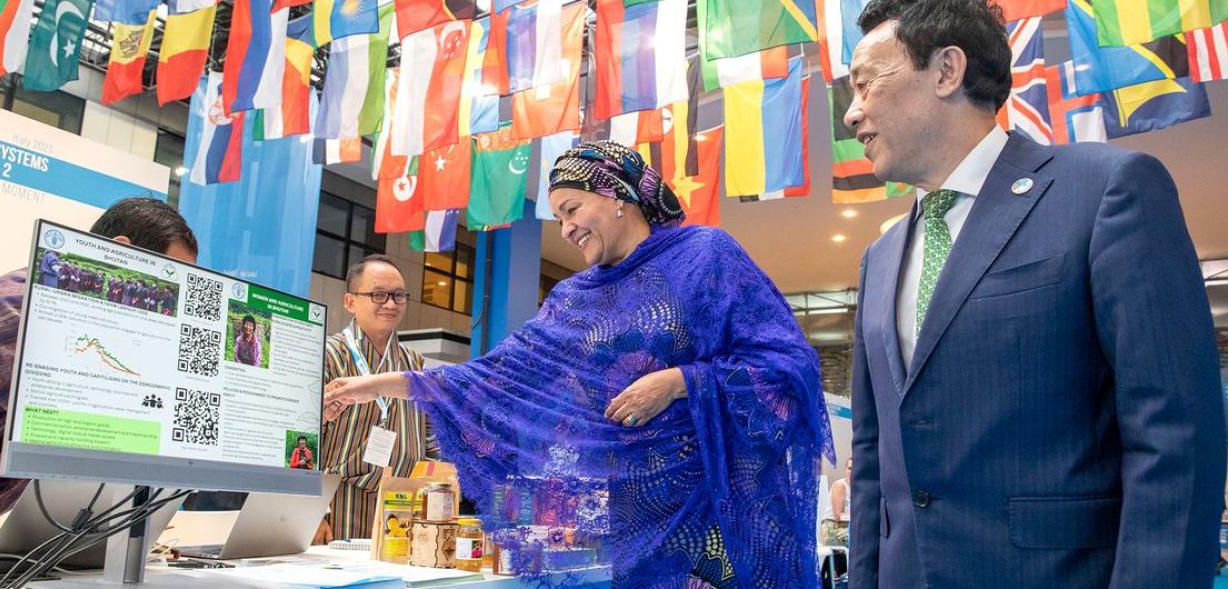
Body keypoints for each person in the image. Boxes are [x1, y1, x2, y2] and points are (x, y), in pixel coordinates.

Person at [324, 142, 833, 588]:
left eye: (572, 209)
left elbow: (788, 365)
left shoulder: (705, 257)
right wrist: (379, 386)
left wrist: (682, 381)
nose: (565, 229)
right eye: (559, 219)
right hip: (613, 533)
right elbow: (496, 376)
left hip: (708, 523)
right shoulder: (573, 299)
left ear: (616, 197)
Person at [844, 0, 1226, 587]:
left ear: (947, 70)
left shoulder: (1104, 194)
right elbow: (873, 461)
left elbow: (1175, 439)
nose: (852, 114)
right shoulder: (880, 257)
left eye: (867, 84)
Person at [0, 197, 199, 555]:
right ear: (118, 253)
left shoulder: (97, 334)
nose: (171, 303)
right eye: (168, 280)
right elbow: (93, 431)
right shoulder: (17, 309)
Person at [318, 255, 439, 542]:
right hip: (340, 503)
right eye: (378, 295)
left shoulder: (414, 363)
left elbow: (430, 437)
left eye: (398, 296)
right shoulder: (328, 354)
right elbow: (305, 440)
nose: (390, 304)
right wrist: (314, 512)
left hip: (402, 504)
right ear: (350, 302)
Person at [822, 457, 850, 547]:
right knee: (859, 537)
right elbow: (838, 516)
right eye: (849, 468)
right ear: (845, 470)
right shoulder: (840, 485)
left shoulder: (859, 489)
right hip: (832, 528)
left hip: (847, 527)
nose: (852, 471)